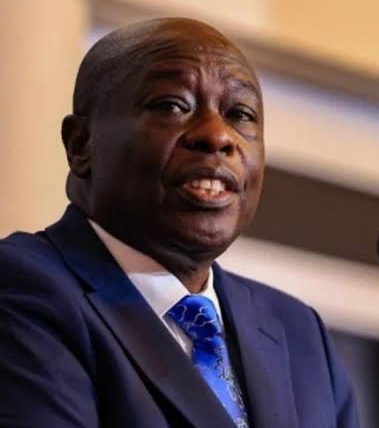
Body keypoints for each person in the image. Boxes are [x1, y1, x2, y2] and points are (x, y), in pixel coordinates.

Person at [0, 17, 359, 428]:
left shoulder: (299, 334)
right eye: (172, 105)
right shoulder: (22, 288)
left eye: (239, 113)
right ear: (82, 144)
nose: (217, 136)